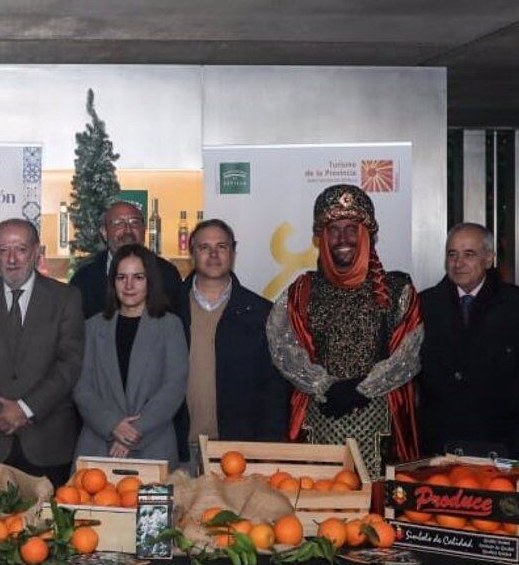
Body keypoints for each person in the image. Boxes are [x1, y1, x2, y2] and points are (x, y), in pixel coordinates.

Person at [267, 184, 422, 467]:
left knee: (377, 506)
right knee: (318, 502)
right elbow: (283, 346)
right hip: (318, 417)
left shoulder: (398, 290)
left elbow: (409, 352)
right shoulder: (301, 291)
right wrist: (324, 385)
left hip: (382, 424)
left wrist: (362, 389)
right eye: (333, 229)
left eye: (351, 228)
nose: (342, 238)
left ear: (368, 234)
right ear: (321, 237)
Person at [0, 217, 86, 480]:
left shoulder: (66, 298)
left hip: (47, 441)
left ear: (37, 251)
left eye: (21, 250)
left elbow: (69, 364)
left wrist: (25, 408)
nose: (12, 259)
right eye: (4, 250)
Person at [171, 217, 289, 463]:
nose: (213, 254)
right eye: (204, 247)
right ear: (192, 252)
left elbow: (275, 389)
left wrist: (268, 450)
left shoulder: (261, 314)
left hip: (238, 454)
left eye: (221, 247)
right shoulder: (168, 309)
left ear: (233, 252)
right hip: (175, 449)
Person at [416, 223, 519, 456]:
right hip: (439, 439)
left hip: (497, 439)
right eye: (452, 254)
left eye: (469, 254)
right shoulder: (425, 305)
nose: (458, 263)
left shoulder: (518, 305)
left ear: (489, 258)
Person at [75, 246, 190, 465]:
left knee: (151, 500)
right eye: (121, 277)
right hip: (99, 445)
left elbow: (174, 387)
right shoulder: (92, 327)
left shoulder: (170, 326)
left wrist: (133, 432)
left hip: (153, 445)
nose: (129, 286)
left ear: (150, 281)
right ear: (112, 282)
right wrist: (113, 426)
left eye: (138, 277)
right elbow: (82, 387)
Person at [68, 199, 185, 319]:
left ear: (144, 230)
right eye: (118, 223)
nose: (128, 230)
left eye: (134, 223)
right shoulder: (84, 279)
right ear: (104, 232)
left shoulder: (167, 274)